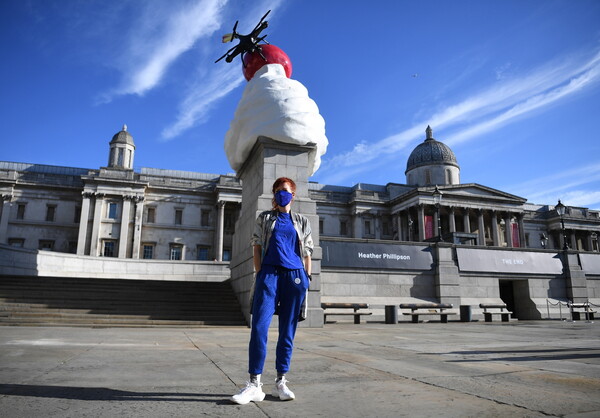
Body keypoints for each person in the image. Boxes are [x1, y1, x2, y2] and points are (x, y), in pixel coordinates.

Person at [231, 177, 313, 405]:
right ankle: (254, 384)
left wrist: (306, 278)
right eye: (277, 191)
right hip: (269, 275)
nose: (281, 194)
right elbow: (256, 246)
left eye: (285, 191)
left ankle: (281, 381)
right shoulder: (265, 219)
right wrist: (261, 273)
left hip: (295, 277)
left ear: (293, 195)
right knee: (259, 327)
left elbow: (307, 252)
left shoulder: (302, 221)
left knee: (287, 331)